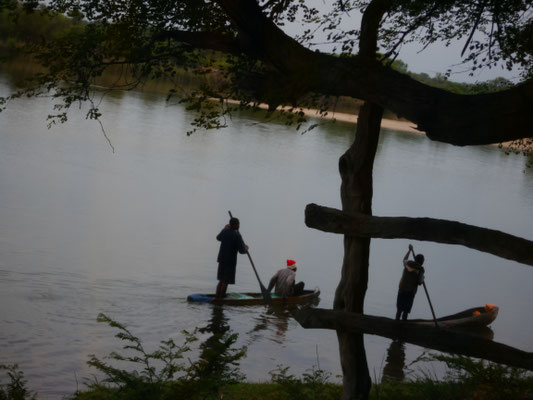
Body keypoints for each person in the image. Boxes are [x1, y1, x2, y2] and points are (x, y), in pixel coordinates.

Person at [215, 217, 248, 299]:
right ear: (236, 225)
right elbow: (242, 251)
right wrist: (246, 249)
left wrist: (224, 228)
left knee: (221, 280)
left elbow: (218, 238)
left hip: (222, 259)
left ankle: (217, 296)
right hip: (230, 262)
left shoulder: (225, 231)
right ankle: (221, 298)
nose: (239, 225)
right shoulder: (237, 235)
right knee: (225, 281)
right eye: (238, 224)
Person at [395, 244, 425, 321]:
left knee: (399, 310)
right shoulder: (421, 270)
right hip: (410, 293)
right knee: (405, 312)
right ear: (421, 262)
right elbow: (420, 282)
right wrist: (423, 278)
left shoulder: (408, 263)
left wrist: (409, 250)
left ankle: (396, 323)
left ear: (415, 259)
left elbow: (404, 259)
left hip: (402, 289)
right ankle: (403, 325)